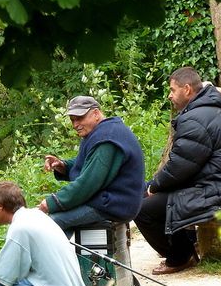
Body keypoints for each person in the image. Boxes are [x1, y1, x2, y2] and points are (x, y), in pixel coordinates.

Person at [134, 67, 221, 275]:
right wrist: (154, 186)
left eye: (172, 90)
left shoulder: (194, 119)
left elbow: (180, 167)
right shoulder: (212, 109)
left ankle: (180, 256)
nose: (169, 95)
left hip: (212, 189)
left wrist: (155, 186)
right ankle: (187, 246)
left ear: (186, 89)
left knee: (142, 209)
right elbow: (186, 164)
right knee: (148, 193)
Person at [38, 96, 145, 235]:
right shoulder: (104, 130)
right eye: (72, 119)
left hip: (114, 205)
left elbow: (87, 184)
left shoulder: (106, 139)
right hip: (107, 200)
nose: (75, 124)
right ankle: (71, 256)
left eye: (80, 118)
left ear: (95, 113)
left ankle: (58, 257)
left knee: (53, 221)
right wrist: (63, 166)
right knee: (63, 222)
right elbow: (89, 164)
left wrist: (53, 202)